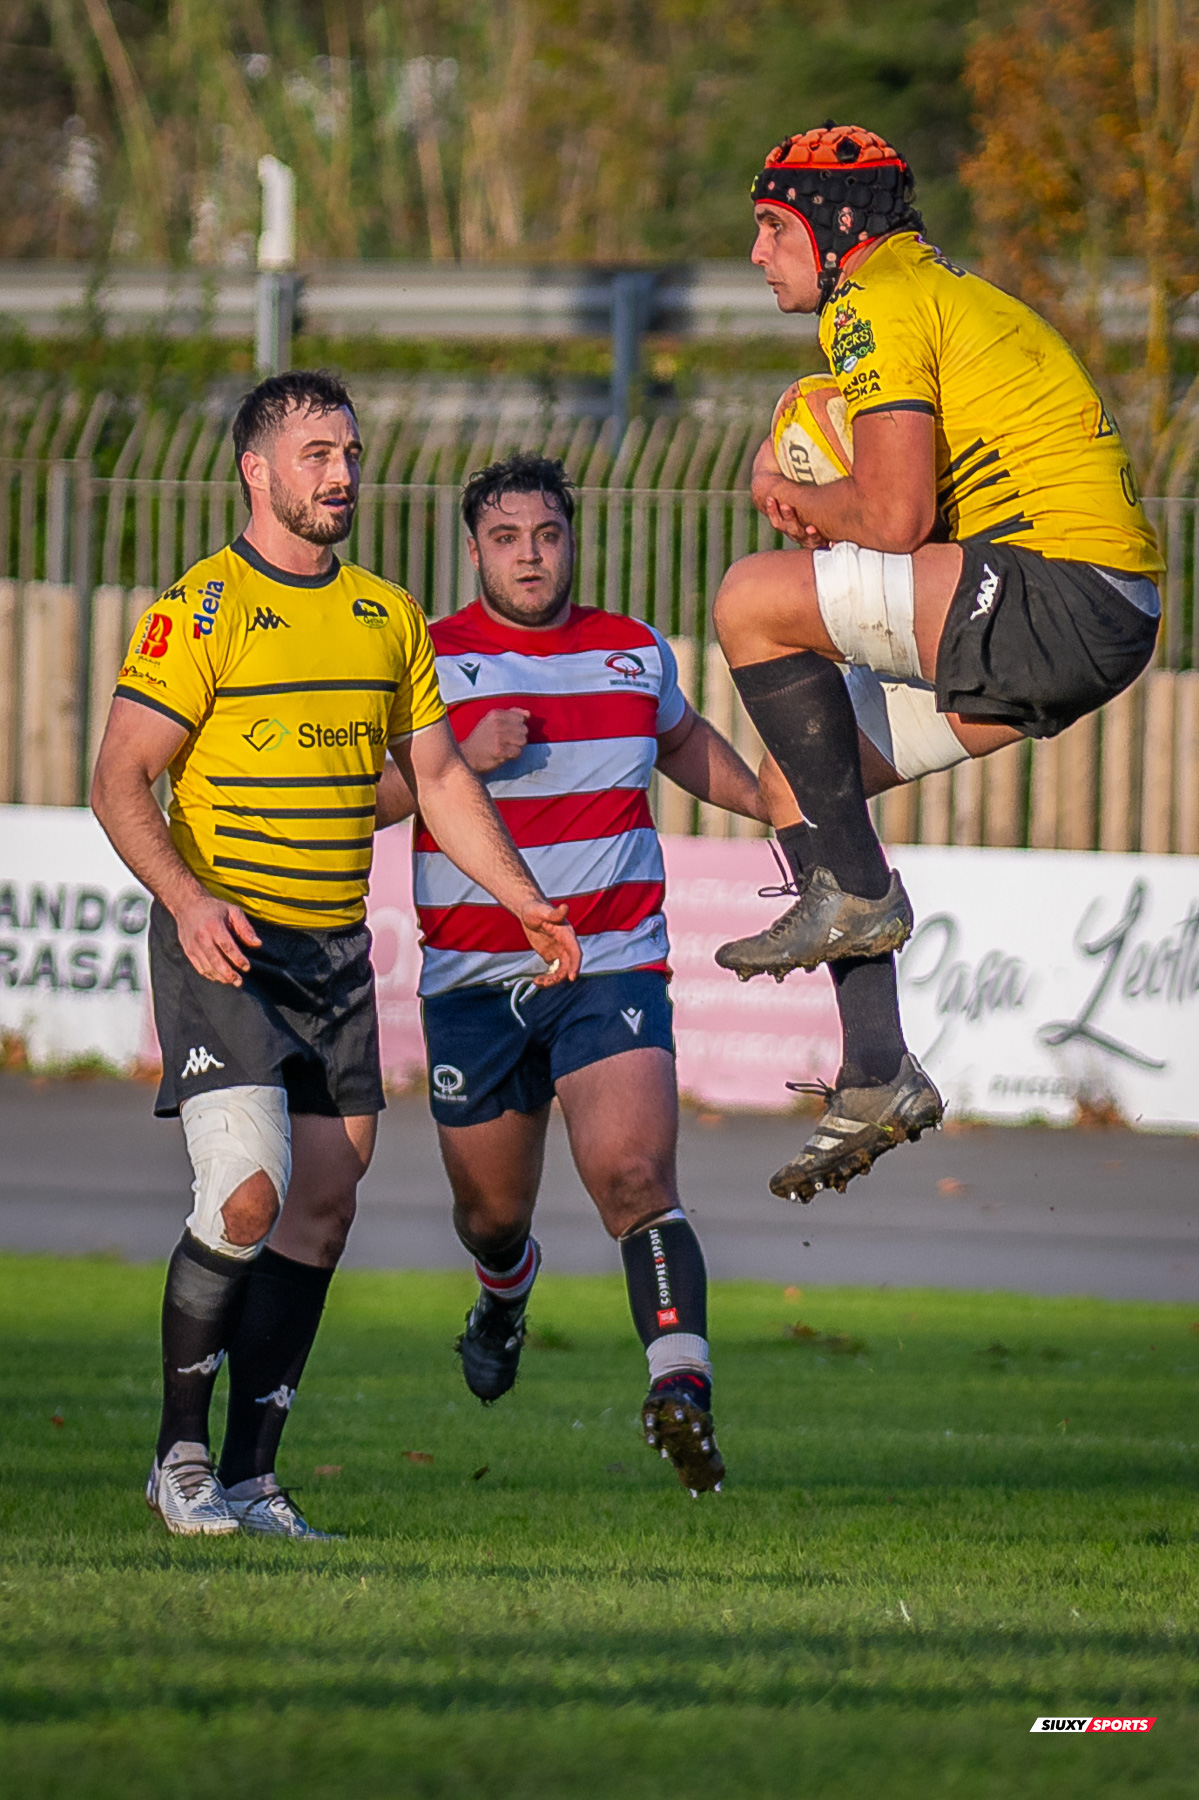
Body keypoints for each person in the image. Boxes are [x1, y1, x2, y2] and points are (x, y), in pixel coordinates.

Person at [92, 373, 580, 1538]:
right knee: (249, 1194)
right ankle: (178, 1460)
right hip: (229, 944)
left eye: (349, 453)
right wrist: (187, 898)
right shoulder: (199, 611)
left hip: (334, 959)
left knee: (320, 1210)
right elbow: (118, 779)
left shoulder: (384, 614)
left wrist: (524, 902)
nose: (341, 475)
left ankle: (254, 1478)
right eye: (315, 454)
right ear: (256, 472)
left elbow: (445, 781)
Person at [710, 124, 1163, 1204]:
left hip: (1058, 591)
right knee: (794, 780)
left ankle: (856, 893)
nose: (758, 253)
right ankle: (875, 1072)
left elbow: (893, 514)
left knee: (744, 599)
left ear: (836, 233)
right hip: (1095, 613)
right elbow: (908, 516)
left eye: (773, 229)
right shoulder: (925, 291)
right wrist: (835, 513)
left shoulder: (872, 298)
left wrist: (789, 497)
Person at [375, 454, 766, 1496]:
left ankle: (678, 1387)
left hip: (609, 962)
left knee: (636, 1179)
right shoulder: (427, 660)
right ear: (473, 552)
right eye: (506, 539)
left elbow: (684, 746)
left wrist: (783, 809)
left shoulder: (632, 652)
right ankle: (503, 1291)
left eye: (545, 535)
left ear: (571, 538)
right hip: (472, 979)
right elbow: (362, 799)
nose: (529, 555)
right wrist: (457, 756)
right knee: (491, 1216)